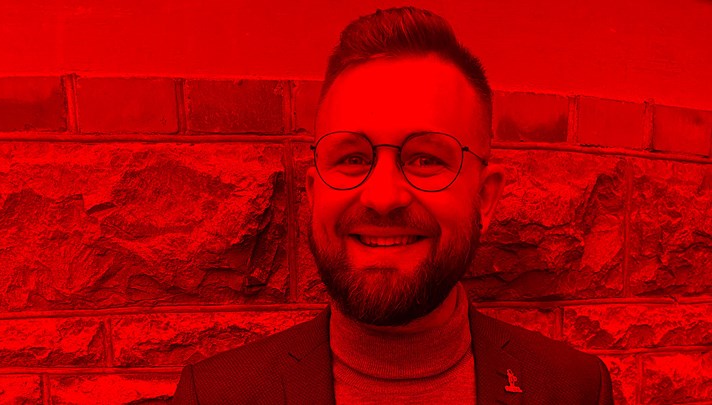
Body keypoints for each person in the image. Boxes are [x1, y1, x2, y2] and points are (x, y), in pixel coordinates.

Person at [171, 6, 613, 404]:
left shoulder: (574, 389)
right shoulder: (213, 395)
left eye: (425, 159)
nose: (383, 198)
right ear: (313, 191)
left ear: (485, 197)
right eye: (353, 158)